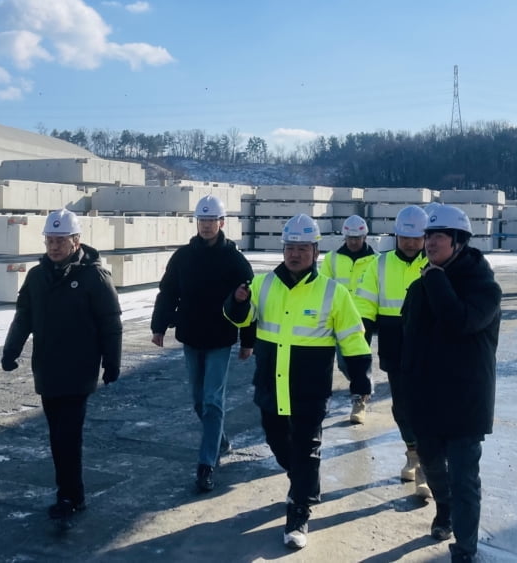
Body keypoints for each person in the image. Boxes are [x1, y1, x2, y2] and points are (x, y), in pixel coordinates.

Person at [225, 213, 369, 550]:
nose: (295, 254)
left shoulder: (334, 292)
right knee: (278, 443)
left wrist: (360, 380)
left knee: (306, 448)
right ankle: (302, 480)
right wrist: (236, 301)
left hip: (310, 388)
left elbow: (353, 339)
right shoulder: (262, 284)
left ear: (315, 251)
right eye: (290, 247)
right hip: (270, 384)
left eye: (302, 248)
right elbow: (239, 318)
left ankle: (300, 509)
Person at [2, 208, 123, 525]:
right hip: (47, 368)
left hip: (80, 369)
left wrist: (112, 362)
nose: (54, 247)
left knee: (68, 434)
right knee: (57, 434)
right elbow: (24, 316)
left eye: (60, 240)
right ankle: (70, 492)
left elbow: (110, 323)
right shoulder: (37, 277)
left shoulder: (94, 276)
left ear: (76, 240)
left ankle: (70, 495)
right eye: (50, 240)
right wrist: (11, 350)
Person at [401, 203, 501, 563]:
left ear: (458, 241)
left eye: (439, 236)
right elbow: (408, 339)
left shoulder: (484, 287)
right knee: (431, 464)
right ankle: (443, 509)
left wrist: (435, 280)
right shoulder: (423, 283)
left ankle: (465, 547)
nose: (429, 243)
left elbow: (460, 322)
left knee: (463, 477)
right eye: (428, 235)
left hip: (464, 399)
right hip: (426, 397)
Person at [151, 195, 255, 493]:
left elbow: (251, 302)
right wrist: (159, 326)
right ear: (196, 223)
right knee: (199, 400)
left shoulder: (234, 259)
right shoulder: (183, 257)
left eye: (212, 221)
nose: (207, 226)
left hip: (221, 339)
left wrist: (248, 341)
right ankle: (219, 438)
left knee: (212, 400)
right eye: (202, 220)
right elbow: (168, 292)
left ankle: (206, 464)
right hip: (191, 337)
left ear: (222, 223)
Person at [354, 204, 430, 496]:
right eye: (405, 237)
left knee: (426, 406)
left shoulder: (435, 263)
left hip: (428, 346)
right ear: (396, 236)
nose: (410, 243)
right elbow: (365, 303)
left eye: (416, 238)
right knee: (402, 407)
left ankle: (426, 465)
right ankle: (412, 451)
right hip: (394, 344)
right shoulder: (380, 264)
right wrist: (360, 334)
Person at [318, 214, 378, 424]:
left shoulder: (375, 260)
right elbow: (322, 286)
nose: (353, 242)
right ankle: (364, 384)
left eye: (357, 238)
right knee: (343, 363)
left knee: (357, 360)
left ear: (365, 237)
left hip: (363, 316)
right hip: (337, 315)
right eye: (350, 238)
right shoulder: (332, 259)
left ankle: (359, 399)